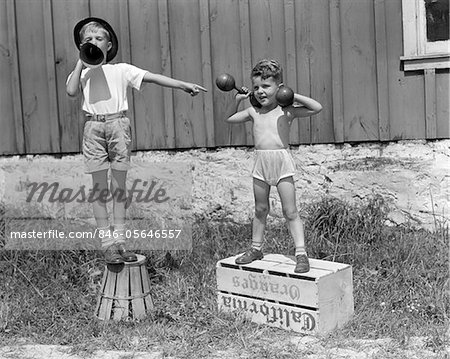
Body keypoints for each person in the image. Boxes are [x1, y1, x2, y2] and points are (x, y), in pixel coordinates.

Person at [66, 17, 206, 265]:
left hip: (118, 125)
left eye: (99, 39)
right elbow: (71, 91)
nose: (94, 43)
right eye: (88, 40)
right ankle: (106, 244)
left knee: (119, 187)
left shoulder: (122, 69)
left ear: (109, 45)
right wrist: (81, 60)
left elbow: (152, 77)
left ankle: (119, 241)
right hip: (93, 127)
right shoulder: (84, 74)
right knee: (100, 188)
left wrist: (183, 85)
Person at [225, 59, 322, 273]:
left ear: (279, 87)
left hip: (281, 163)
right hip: (261, 162)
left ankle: (301, 253)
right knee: (260, 209)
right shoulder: (253, 112)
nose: (260, 91)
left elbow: (317, 108)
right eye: (256, 87)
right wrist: (238, 99)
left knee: (290, 210)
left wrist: (291, 95)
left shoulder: (287, 111)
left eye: (266, 86)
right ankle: (256, 248)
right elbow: (230, 118)